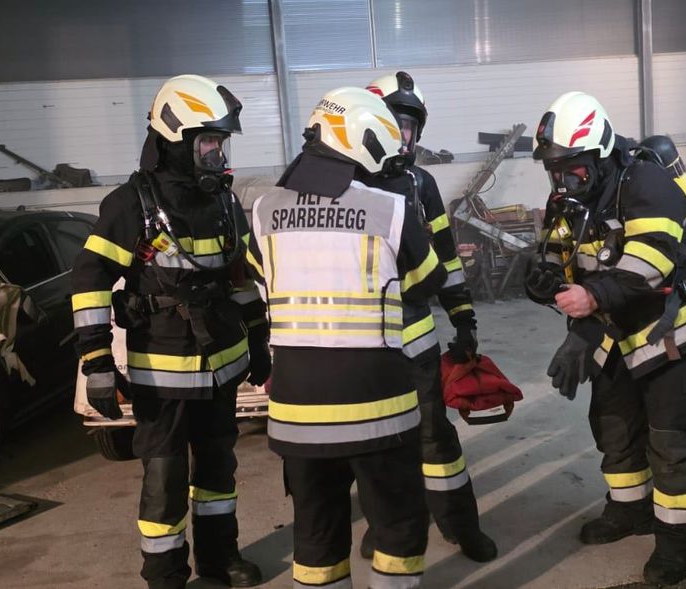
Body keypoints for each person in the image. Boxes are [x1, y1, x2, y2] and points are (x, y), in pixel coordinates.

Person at [71, 74, 268, 589]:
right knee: (164, 481)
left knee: (218, 474)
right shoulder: (130, 205)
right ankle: (165, 575)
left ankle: (221, 560)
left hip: (221, 368)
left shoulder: (224, 201)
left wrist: (260, 338)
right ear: (174, 138)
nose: (216, 153)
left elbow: (240, 277)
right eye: (207, 141)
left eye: (220, 142)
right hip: (162, 377)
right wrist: (95, 361)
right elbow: (89, 279)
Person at [251, 86, 447, 589]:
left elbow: (258, 276)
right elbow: (428, 280)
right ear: (363, 142)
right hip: (376, 405)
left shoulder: (264, 210)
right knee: (398, 527)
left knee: (316, 536)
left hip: (298, 414)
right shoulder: (389, 208)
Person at [525, 92, 686, 585]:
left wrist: (589, 302)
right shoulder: (569, 195)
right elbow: (558, 247)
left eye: (573, 170)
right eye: (555, 170)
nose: (563, 181)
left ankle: (679, 544)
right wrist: (543, 276)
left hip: (666, 332)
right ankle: (629, 511)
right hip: (614, 330)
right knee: (612, 425)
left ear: (601, 153)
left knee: (668, 440)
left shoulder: (646, 182)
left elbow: (649, 262)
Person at [360, 71, 498, 563]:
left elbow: (446, 257)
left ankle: (462, 526)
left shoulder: (423, 184)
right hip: (364, 352)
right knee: (376, 445)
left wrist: (463, 321)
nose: (403, 137)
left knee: (435, 440)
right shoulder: (347, 186)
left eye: (410, 127)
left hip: (416, 347)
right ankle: (386, 524)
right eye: (394, 124)